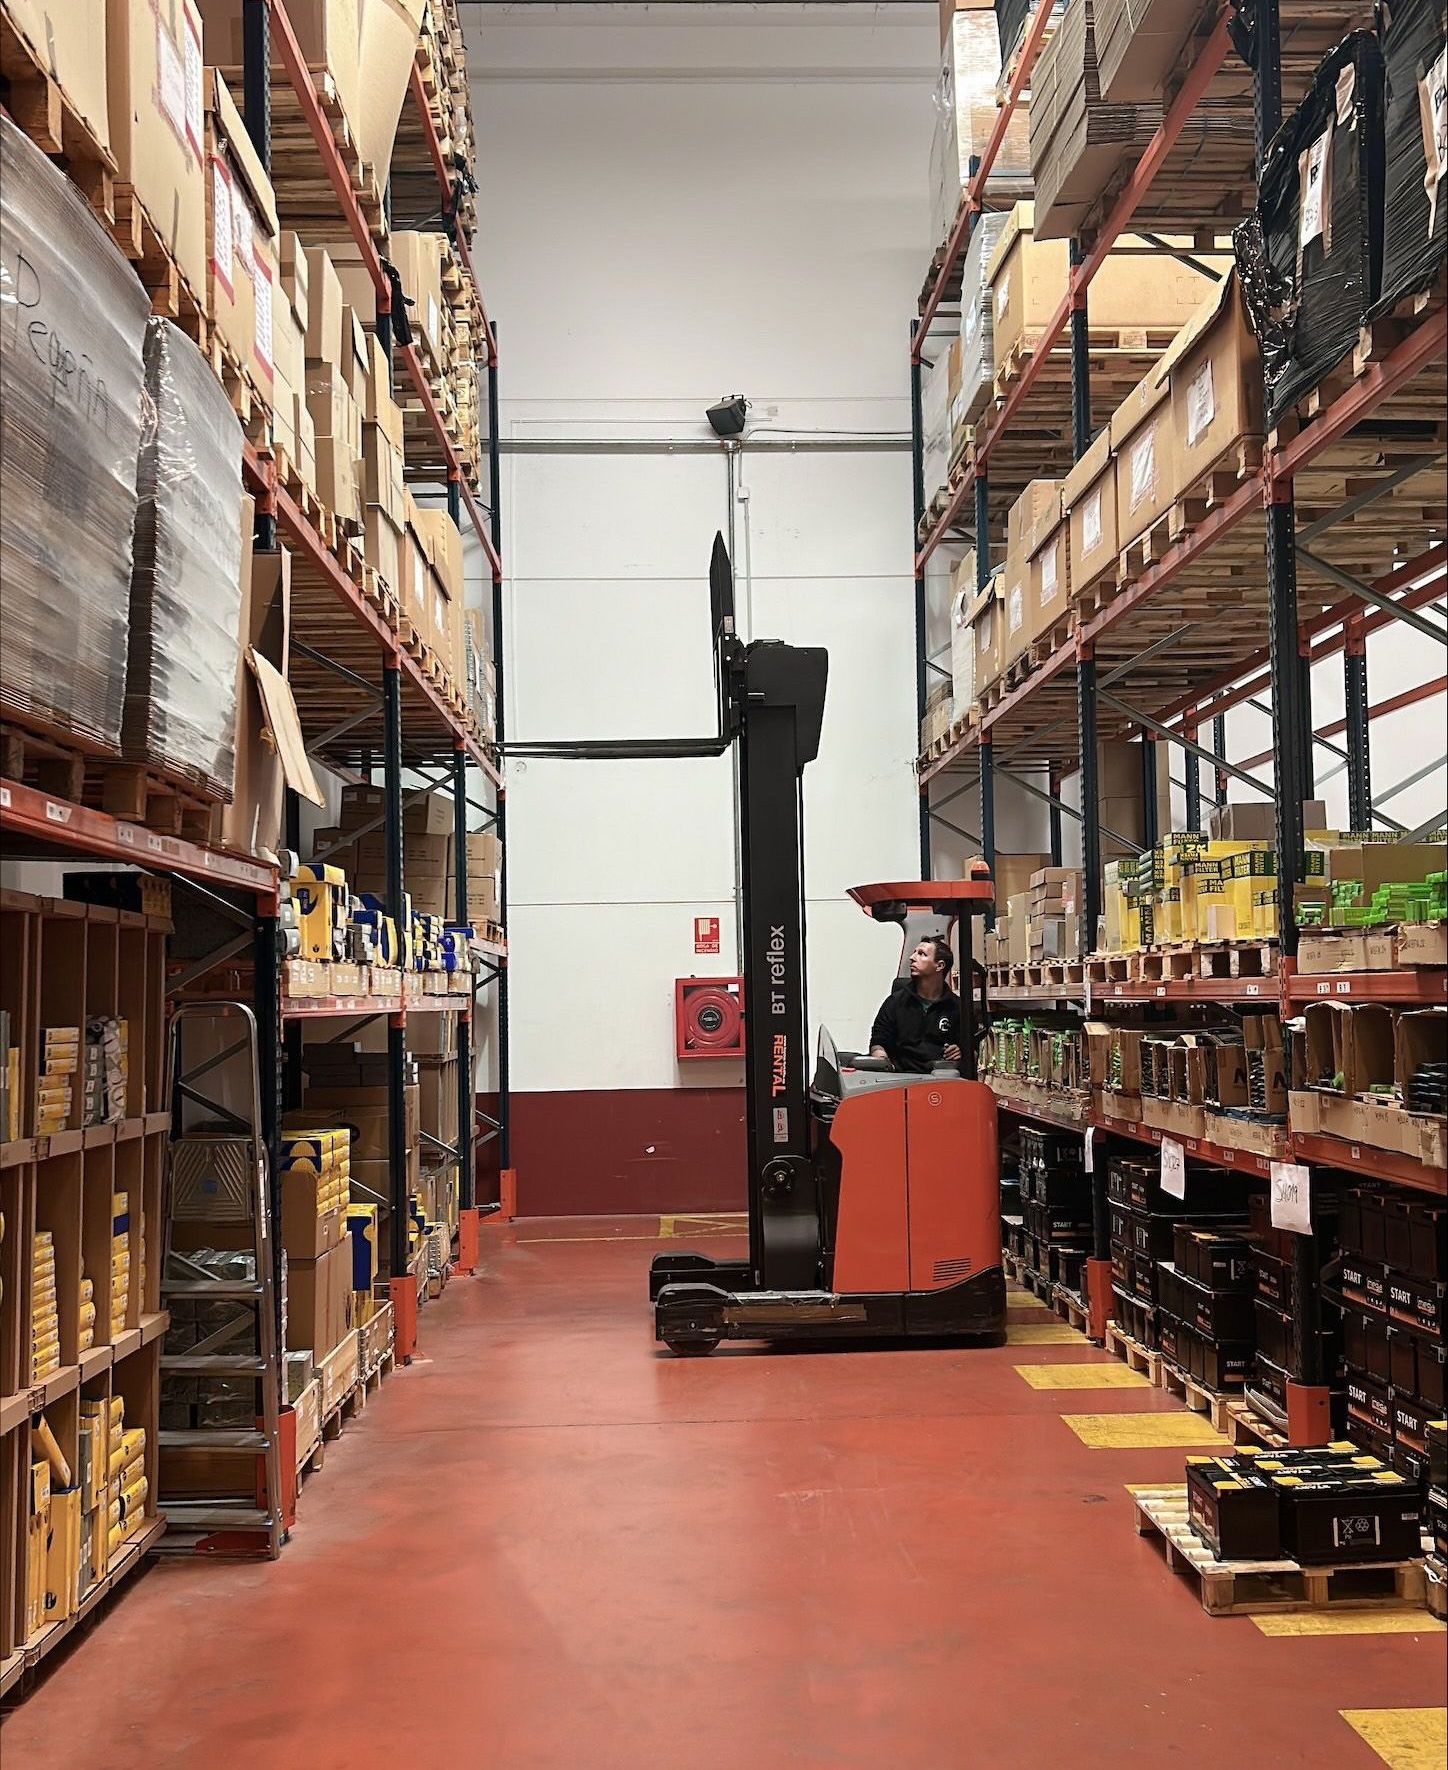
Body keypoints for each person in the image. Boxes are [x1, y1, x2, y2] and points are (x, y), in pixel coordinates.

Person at [868, 935, 962, 1073]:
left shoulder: (957, 1007)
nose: (912, 957)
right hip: (898, 1079)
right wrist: (882, 1062)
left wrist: (959, 1052)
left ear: (939, 966)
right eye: (914, 952)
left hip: (940, 1080)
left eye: (921, 954)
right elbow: (878, 1043)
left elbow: (970, 1051)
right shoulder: (895, 1002)